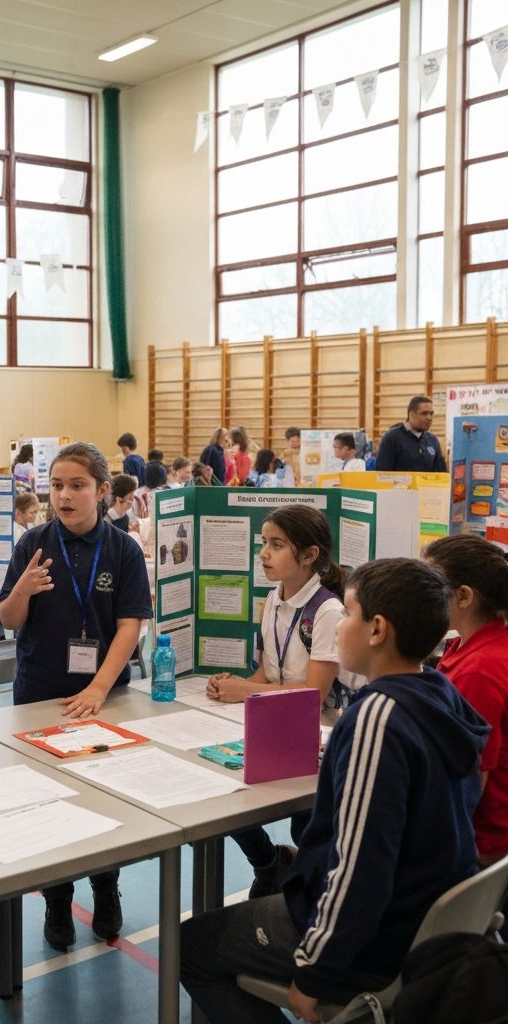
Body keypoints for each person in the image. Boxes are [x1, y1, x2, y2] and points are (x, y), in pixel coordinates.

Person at [182, 557, 488, 1024]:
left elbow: (361, 868)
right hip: (427, 918)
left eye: (347, 614)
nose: (339, 625)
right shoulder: (441, 695)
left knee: (190, 947)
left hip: (375, 940)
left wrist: (314, 971)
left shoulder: (377, 719)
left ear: (377, 630)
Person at [0, 442, 152, 951]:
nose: (63, 496)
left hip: (103, 695)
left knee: (104, 798)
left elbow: (130, 624)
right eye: (56, 486)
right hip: (39, 693)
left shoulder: (123, 549)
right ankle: (57, 899)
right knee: (48, 802)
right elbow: (10, 619)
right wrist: (22, 590)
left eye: (77, 486)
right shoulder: (34, 543)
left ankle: (106, 887)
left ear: (103, 490)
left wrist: (99, 686)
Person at [207, 505, 363, 895]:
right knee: (221, 791)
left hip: (319, 735)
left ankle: (302, 882)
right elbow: (266, 673)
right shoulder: (273, 599)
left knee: (303, 826)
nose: (264, 553)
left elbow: (314, 695)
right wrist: (234, 686)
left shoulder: (327, 611)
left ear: (309, 555)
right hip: (278, 724)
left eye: (277, 545)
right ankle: (268, 861)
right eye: (264, 543)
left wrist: (247, 691)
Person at [426, 536, 508, 880]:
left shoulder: (480, 670)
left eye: (430, 585)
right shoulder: (465, 645)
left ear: (463, 596)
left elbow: (474, 777)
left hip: (480, 844)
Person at [375, 395, 447, 472]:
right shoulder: (392, 438)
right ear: (411, 415)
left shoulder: (432, 440)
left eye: (431, 414)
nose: (429, 418)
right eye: (424, 413)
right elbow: (381, 474)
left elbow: (440, 473)